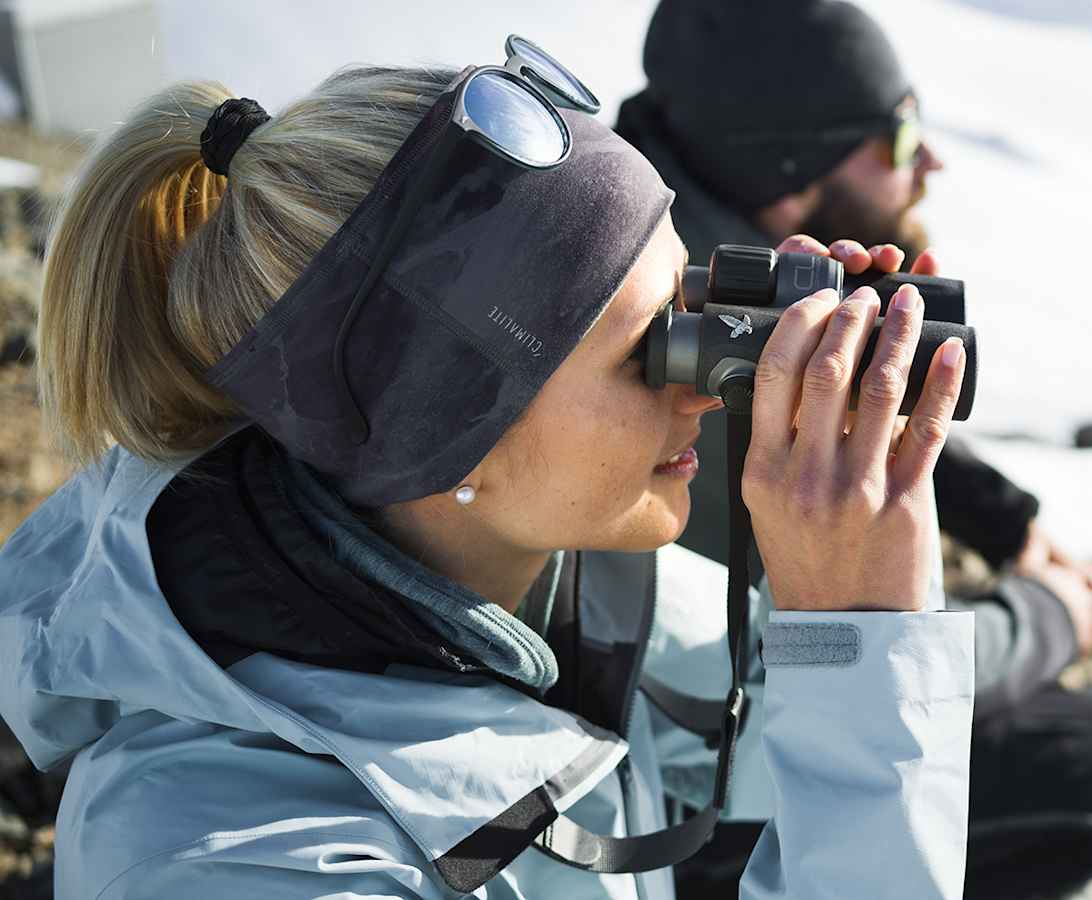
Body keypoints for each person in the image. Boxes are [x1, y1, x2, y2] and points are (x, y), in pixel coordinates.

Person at [0, 45, 977, 899]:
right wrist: (863, 636)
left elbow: (781, 751)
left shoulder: (530, 580)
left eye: (691, 302)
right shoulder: (235, 863)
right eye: (651, 347)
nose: (704, 389)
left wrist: (860, 583)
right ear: (441, 430)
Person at [614, 3, 1092, 897]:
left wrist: (1005, 518)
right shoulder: (682, 387)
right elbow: (819, 669)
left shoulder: (675, 255)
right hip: (688, 791)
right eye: (899, 135)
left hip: (692, 706)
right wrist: (1046, 619)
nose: (931, 160)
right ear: (791, 172)